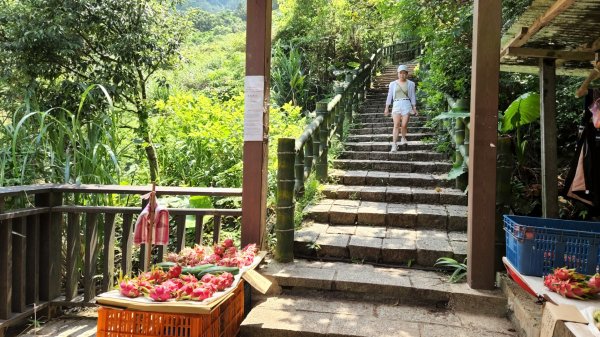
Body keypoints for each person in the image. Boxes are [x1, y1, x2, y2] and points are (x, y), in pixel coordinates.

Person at [384, 64, 418, 152]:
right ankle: (394, 145)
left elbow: (413, 96)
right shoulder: (392, 84)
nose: (402, 75)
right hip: (396, 104)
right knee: (396, 125)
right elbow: (389, 96)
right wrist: (387, 107)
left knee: (404, 124)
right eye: (400, 73)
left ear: (407, 74)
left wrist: (414, 107)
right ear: (398, 74)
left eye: (404, 73)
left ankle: (403, 137)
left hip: (406, 104)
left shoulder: (411, 84)